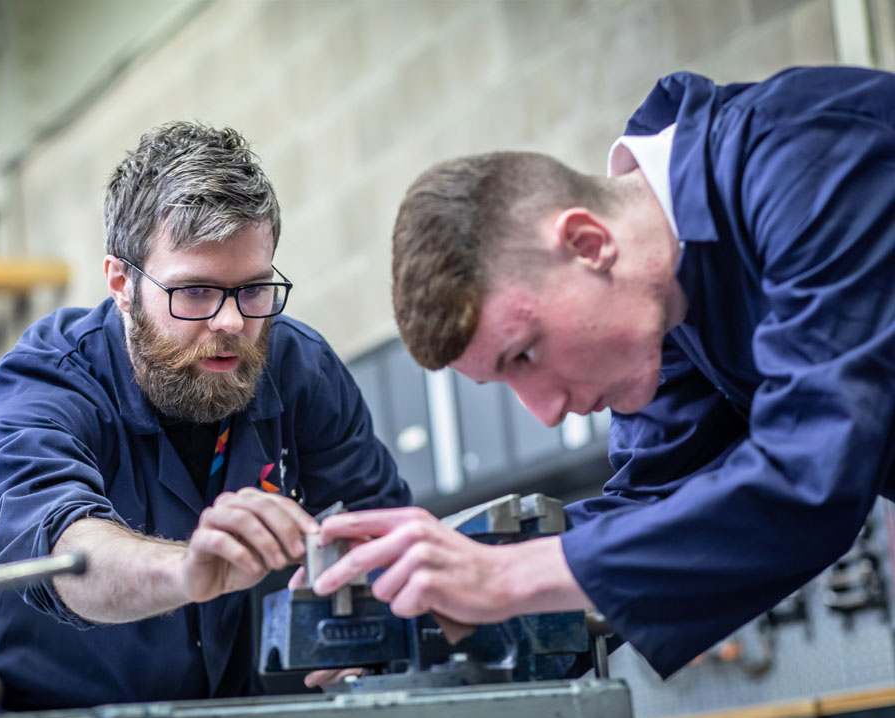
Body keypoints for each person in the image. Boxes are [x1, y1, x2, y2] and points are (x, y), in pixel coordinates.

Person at [311, 65, 895, 680]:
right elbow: (655, 506)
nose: (545, 410)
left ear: (588, 244)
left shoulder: (808, 156)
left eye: (525, 355)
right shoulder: (671, 304)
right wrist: (411, 597)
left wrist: (507, 576)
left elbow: (810, 473)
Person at [0, 121, 411, 710]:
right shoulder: (47, 379)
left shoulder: (301, 370)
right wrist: (184, 571)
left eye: (253, 289)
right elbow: (61, 552)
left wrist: (369, 609)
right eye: (194, 292)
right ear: (121, 283)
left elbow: (384, 530)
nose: (231, 323)